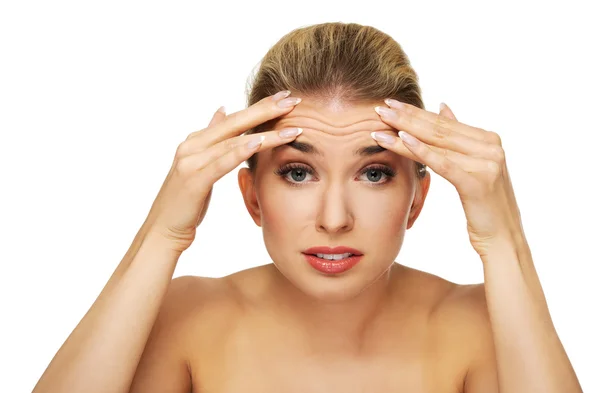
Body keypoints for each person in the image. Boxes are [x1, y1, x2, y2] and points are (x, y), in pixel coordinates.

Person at [32, 22, 582, 393]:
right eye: (298, 172)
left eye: (374, 173)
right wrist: (162, 235)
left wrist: (502, 242)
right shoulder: (186, 316)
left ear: (417, 198)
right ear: (252, 196)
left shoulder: (480, 325)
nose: (335, 217)